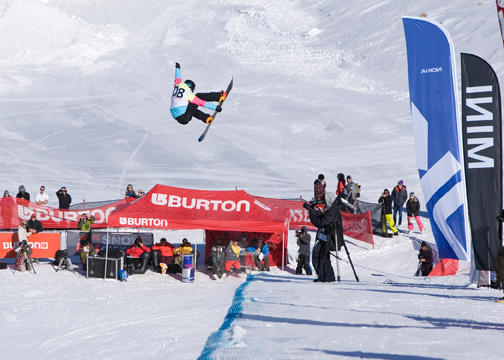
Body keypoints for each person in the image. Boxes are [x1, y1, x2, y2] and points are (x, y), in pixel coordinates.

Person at [303, 191, 344, 283]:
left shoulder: (333, 209)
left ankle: (324, 276)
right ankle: (327, 276)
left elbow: (322, 222)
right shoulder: (332, 207)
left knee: (318, 254)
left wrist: (311, 211)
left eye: (325, 200)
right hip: (328, 237)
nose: (324, 202)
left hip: (332, 238)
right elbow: (323, 219)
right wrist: (312, 210)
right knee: (322, 256)